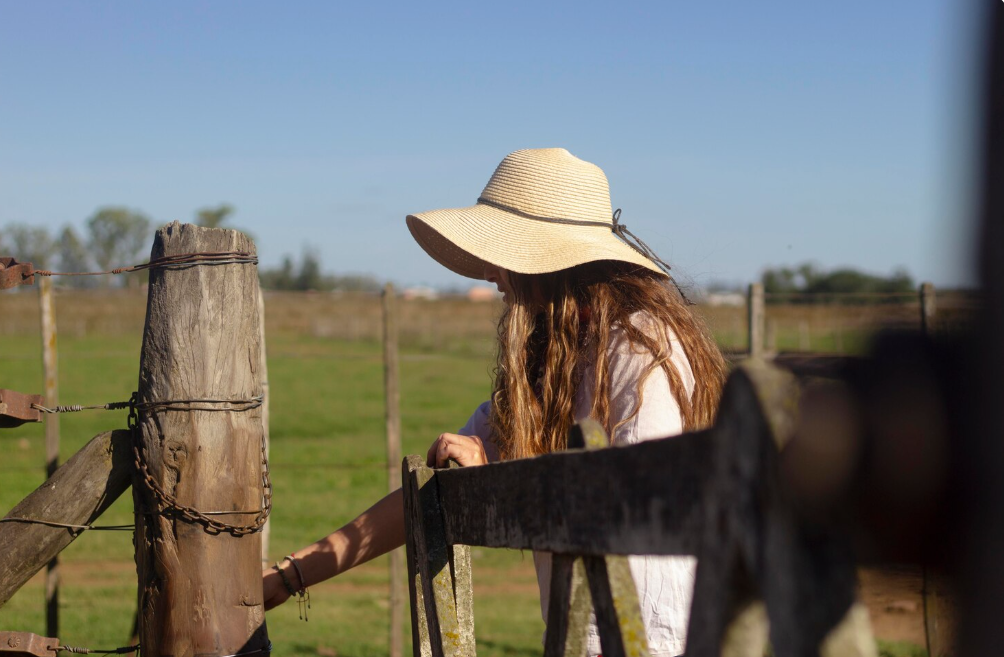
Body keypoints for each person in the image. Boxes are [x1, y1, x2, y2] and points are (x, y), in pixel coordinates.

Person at [262, 148, 727, 656]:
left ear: (548, 263)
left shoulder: (639, 345)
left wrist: (503, 485)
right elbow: (425, 497)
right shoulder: (550, 361)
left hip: (652, 638)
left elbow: (637, 502)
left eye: (502, 259)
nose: (489, 274)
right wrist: (289, 576)